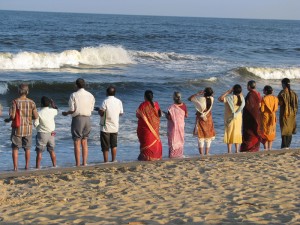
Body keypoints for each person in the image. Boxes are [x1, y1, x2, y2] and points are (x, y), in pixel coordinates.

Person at [4, 83, 39, 171]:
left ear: (19, 91)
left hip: (17, 129)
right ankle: (27, 166)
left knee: (15, 148)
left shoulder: (15, 102)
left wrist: (8, 119)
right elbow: (36, 116)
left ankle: (15, 167)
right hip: (28, 129)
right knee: (27, 148)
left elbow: (12, 116)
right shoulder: (32, 102)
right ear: (27, 91)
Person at [62, 78, 95, 166]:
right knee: (85, 141)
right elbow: (91, 109)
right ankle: (84, 162)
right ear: (84, 85)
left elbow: (72, 110)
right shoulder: (90, 95)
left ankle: (78, 163)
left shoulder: (74, 95)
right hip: (88, 119)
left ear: (76, 85)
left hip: (78, 119)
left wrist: (66, 113)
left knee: (77, 141)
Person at [96, 86, 123, 163]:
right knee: (114, 144)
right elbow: (121, 113)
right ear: (114, 93)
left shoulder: (105, 101)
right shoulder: (119, 101)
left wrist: (99, 110)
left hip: (106, 126)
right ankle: (113, 159)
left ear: (107, 93)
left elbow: (102, 113)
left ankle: (106, 161)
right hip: (115, 126)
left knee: (105, 146)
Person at [188, 87, 216, 155]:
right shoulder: (212, 99)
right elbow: (210, 97)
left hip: (201, 119)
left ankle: (201, 154)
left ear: (204, 92)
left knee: (201, 137)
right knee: (208, 136)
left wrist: (197, 94)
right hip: (208, 118)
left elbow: (190, 99)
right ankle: (207, 153)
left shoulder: (201, 99)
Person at [218, 84, 245, 153]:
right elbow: (241, 95)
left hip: (230, 118)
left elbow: (220, 98)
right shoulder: (242, 98)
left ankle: (229, 151)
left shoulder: (229, 98)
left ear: (233, 90)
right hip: (238, 117)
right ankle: (237, 150)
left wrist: (228, 92)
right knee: (237, 132)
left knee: (229, 133)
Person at [137, 90, 162, 161]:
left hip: (145, 129)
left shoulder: (143, 105)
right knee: (153, 141)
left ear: (145, 97)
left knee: (146, 142)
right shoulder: (156, 104)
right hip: (154, 128)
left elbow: (138, 115)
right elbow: (159, 114)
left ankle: (146, 156)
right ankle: (155, 156)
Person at [34, 96, 58, 169]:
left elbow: (35, 124)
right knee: (52, 150)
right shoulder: (52, 111)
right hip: (52, 133)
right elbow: (56, 109)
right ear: (49, 104)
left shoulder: (39, 113)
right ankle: (54, 165)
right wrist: (53, 103)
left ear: (41, 104)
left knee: (39, 151)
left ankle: (37, 167)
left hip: (42, 133)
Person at [240, 80, 262, 152]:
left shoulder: (250, 95)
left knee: (249, 132)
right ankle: (255, 148)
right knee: (255, 131)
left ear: (249, 86)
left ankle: (248, 148)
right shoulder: (258, 94)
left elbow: (249, 107)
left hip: (250, 117)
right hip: (258, 116)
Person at [165, 92, 188, 158]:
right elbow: (186, 115)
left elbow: (169, 118)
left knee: (173, 140)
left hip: (173, 127)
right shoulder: (184, 105)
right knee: (180, 139)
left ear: (173, 98)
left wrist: (165, 114)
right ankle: (179, 154)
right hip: (181, 126)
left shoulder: (171, 107)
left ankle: (172, 155)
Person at [278, 78, 298, 149]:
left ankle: (284, 146)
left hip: (285, 114)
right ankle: (288, 146)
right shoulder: (293, 93)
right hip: (292, 114)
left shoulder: (282, 93)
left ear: (283, 84)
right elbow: (296, 104)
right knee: (289, 130)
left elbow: (280, 103)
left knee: (284, 130)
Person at [261, 85, 279, 150]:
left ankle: (265, 148)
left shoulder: (264, 99)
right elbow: (276, 108)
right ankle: (270, 148)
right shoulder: (276, 98)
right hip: (273, 116)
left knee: (265, 132)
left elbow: (262, 110)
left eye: (263, 90)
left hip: (266, 117)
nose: (262, 91)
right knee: (271, 131)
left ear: (266, 91)